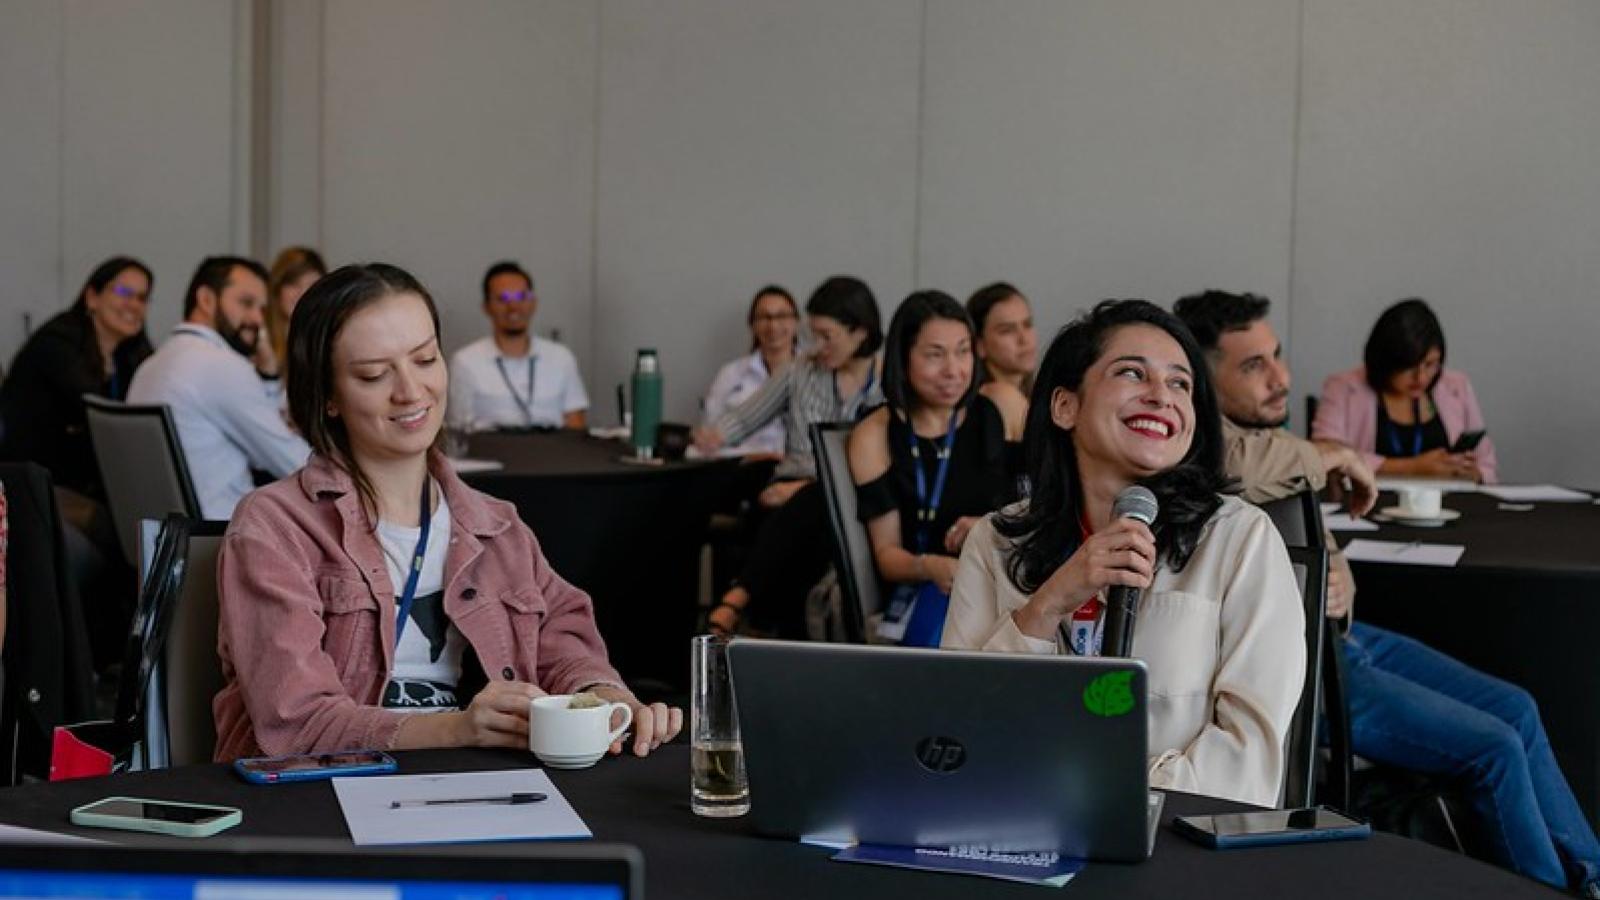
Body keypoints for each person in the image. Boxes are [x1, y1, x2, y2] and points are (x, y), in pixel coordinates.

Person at [1175, 289, 1600, 896]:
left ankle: (1593, 874)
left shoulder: (1271, 438)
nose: (1280, 378)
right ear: (1200, 377)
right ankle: (1553, 890)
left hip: (1347, 637)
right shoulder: (1194, 440)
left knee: (1517, 709)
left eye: (1277, 356)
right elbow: (1228, 462)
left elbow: (1290, 503)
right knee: (1495, 749)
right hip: (1302, 672)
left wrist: (1336, 567)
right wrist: (1337, 454)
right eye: (1253, 365)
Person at [212, 262, 679, 760]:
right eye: (373, 374)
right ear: (327, 396)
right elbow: (295, 723)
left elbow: (561, 637)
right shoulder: (275, 526)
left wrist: (600, 696)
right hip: (321, 799)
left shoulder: (496, 526)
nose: (412, 391)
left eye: (426, 359)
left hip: (478, 789)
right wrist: (459, 729)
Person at [941, 299, 1304, 808]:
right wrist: (1044, 608)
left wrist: (1119, 803)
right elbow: (955, 730)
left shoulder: (1239, 538)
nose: (1162, 396)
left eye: (1181, 384)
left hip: (1176, 841)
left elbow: (1247, 757)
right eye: (1133, 373)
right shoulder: (997, 540)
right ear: (1066, 405)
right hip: (1015, 823)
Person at [693, 275, 884, 637]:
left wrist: (804, 487)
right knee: (805, 515)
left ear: (860, 332)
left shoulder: (888, 383)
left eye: (828, 336)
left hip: (849, 495)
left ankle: (737, 600)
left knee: (815, 504)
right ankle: (767, 627)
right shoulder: (801, 369)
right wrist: (710, 437)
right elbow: (747, 416)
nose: (817, 346)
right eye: (814, 334)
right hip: (793, 490)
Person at [848, 291, 1023, 645]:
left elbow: (1046, 502)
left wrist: (991, 529)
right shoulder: (875, 434)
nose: (953, 370)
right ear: (903, 357)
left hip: (1011, 578)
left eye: (962, 351)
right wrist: (930, 566)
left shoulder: (1002, 406)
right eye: (934, 355)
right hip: (935, 591)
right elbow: (887, 555)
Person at [128, 256, 311, 520]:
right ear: (206, 300)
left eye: (262, 308)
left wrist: (269, 374)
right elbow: (292, 462)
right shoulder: (220, 366)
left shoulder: (152, 364)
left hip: (161, 539)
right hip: (220, 536)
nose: (257, 319)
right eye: (246, 303)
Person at [1, 257, 156, 503]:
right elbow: (102, 418)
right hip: (35, 490)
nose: (134, 305)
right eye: (124, 292)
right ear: (92, 297)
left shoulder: (129, 356)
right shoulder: (58, 341)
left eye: (142, 298)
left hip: (88, 486)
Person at [1314, 298, 1497, 483]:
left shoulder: (1457, 385)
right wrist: (1414, 467)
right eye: (1409, 367)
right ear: (1385, 361)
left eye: (1431, 364)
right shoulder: (1343, 387)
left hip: (1448, 505)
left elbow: (1487, 465)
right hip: (1369, 503)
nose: (1421, 377)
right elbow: (1327, 455)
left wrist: (1473, 474)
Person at [447, 261, 588, 432]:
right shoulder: (465, 361)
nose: (513, 307)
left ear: (534, 303)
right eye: (503, 298)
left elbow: (576, 423)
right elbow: (459, 429)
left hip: (553, 453)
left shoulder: (561, 358)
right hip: (490, 454)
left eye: (521, 297)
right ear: (486, 307)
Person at [700, 285, 799, 457]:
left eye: (782, 316)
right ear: (752, 324)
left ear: (796, 322)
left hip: (795, 472)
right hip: (741, 471)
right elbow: (710, 437)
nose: (773, 326)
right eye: (764, 317)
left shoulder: (812, 373)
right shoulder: (731, 374)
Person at [263, 246, 328, 381]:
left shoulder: (327, 340)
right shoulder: (259, 337)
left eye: (312, 286)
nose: (303, 294)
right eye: (294, 284)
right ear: (277, 288)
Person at [965, 281, 1038, 395]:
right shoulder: (996, 397)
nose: (1024, 339)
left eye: (1027, 325)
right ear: (980, 345)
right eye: (1007, 330)